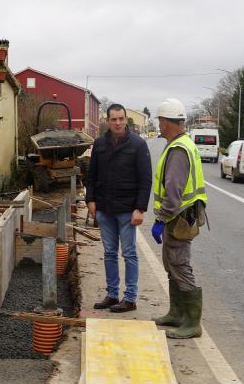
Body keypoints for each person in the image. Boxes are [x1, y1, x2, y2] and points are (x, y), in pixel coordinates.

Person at [86, 103, 152, 312]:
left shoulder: (138, 145)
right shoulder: (100, 144)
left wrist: (140, 208)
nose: (117, 123)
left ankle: (130, 298)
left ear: (126, 119)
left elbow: (146, 180)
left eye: (121, 119)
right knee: (109, 253)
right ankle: (112, 294)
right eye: (113, 119)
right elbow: (91, 175)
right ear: (107, 121)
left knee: (129, 254)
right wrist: (90, 200)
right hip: (104, 209)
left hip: (127, 210)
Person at [150, 97, 208, 338]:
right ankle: (176, 313)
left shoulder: (178, 150)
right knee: (171, 264)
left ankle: (192, 323)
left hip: (179, 218)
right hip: (181, 216)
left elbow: (173, 191)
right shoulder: (182, 144)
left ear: (166, 122)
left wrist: (160, 219)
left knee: (180, 265)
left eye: (160, 121)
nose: (159, 125)